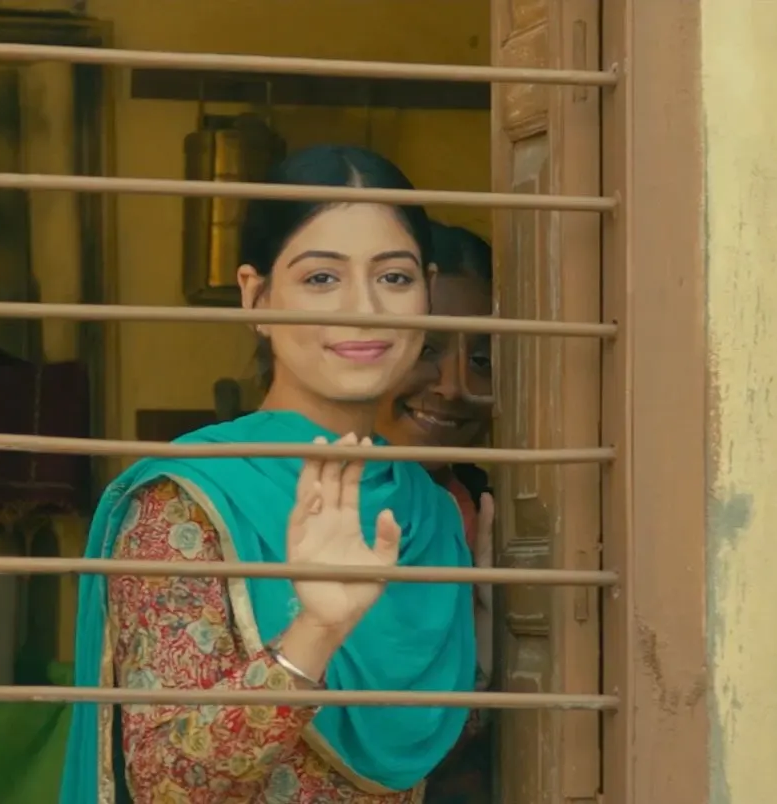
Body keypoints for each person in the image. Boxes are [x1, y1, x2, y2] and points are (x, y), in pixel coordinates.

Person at [59, 145, 476, 803]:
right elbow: (166, 781)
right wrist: (316, 630)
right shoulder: (187, 501)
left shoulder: (430, 515)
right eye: (322, 278)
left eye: (394, 277)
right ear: (256, 296)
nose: (364, 308)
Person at [373, 223, 497, 804]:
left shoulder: (486, 515)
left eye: (484, 359)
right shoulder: (273, 505)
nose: (454, 387)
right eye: (426, 349)